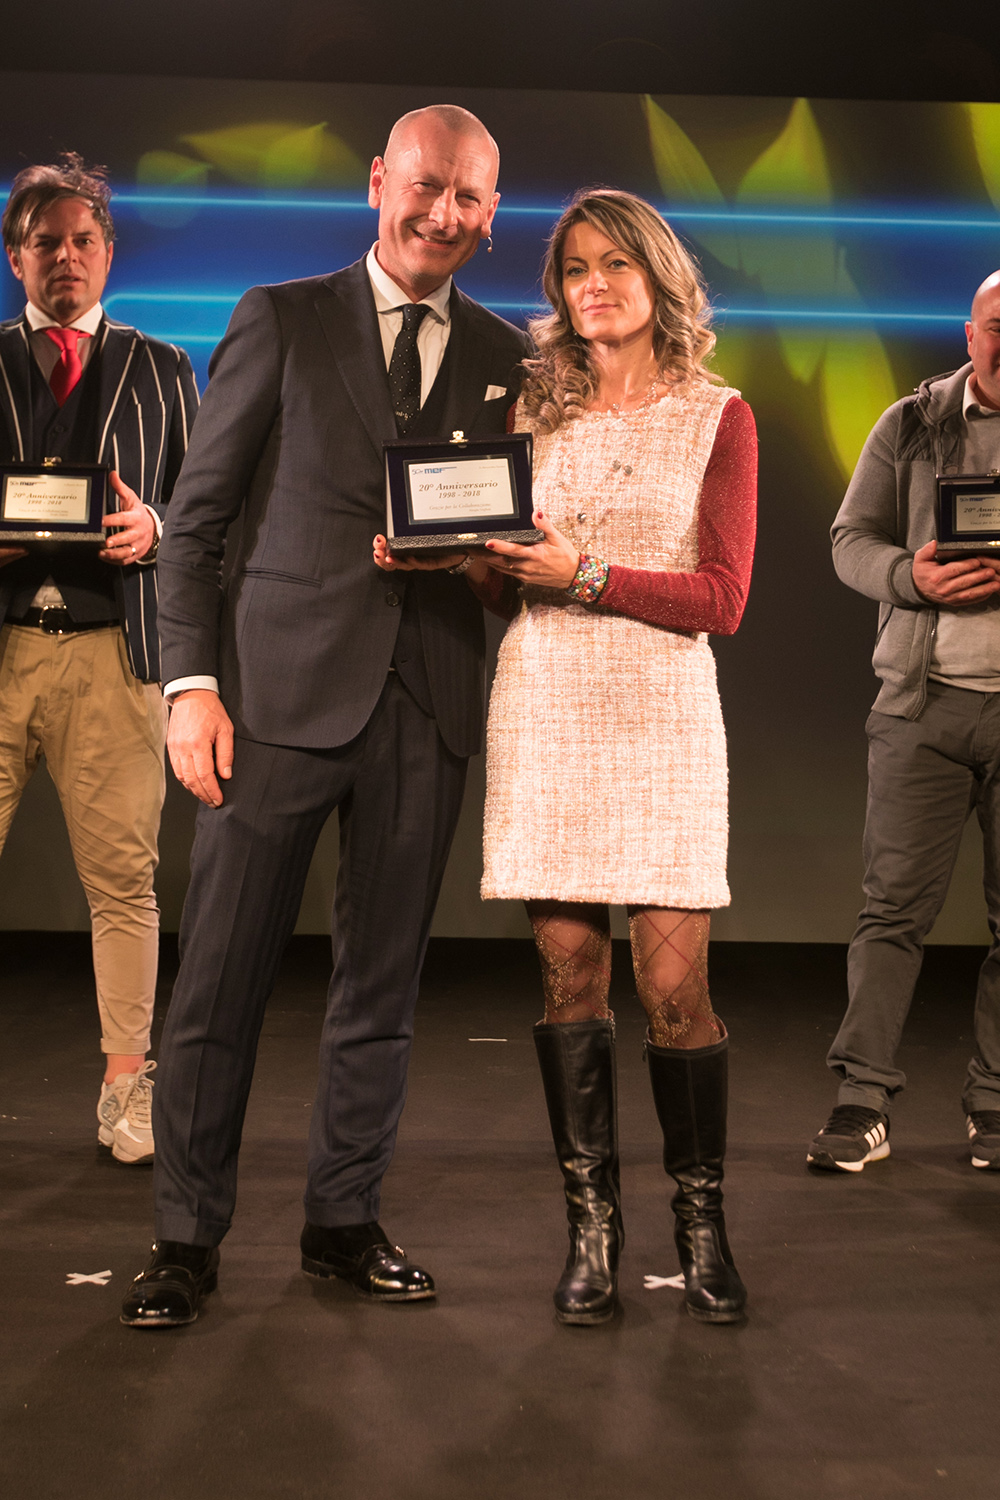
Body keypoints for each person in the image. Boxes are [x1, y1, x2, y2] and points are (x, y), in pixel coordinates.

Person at [120, 105, 531, 1328]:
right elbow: (194, 526)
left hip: (427, 704)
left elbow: (501, 546)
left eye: (467, 197)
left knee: (381, 990)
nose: (442, 214)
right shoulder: (280, 318)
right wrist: (191, 689)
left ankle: (342, 1221)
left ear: (492, 216)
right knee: (219, 983)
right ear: (376, 183)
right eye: (425, 186)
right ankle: (185, 1239)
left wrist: (481, 560)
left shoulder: (507, 354)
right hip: (273, 705)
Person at [379, 188, 757, 1325]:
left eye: (615, 264)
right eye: (575, 269)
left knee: (673, 987)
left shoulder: (719, 415)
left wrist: (581, 574)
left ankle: (701, 1224)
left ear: (658, 277)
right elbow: (505, 583)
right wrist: (447, 553)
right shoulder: (529, 408)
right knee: (569, 977)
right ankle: (592, 1229)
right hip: (546, 704)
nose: (593, 286)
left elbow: (722, 600)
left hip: (662, 711)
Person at [0, 155, 198, 1164]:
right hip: (3, 647)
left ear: (109, 253)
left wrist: (156, 527)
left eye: (83, 240)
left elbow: (205, 507)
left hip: (116, 652)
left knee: (124, 883)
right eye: (46, 242)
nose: (65, 257)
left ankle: (128, 1088)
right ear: (16, 257)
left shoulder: (165, 368)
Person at [808, 272, 1000, 1175]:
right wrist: (909, 578)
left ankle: (995, 1106)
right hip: (921, 707)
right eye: (999, 326)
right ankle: (862, 1102)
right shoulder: (911, 424)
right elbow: (850, 540)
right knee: (889, 914)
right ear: (970, 332)